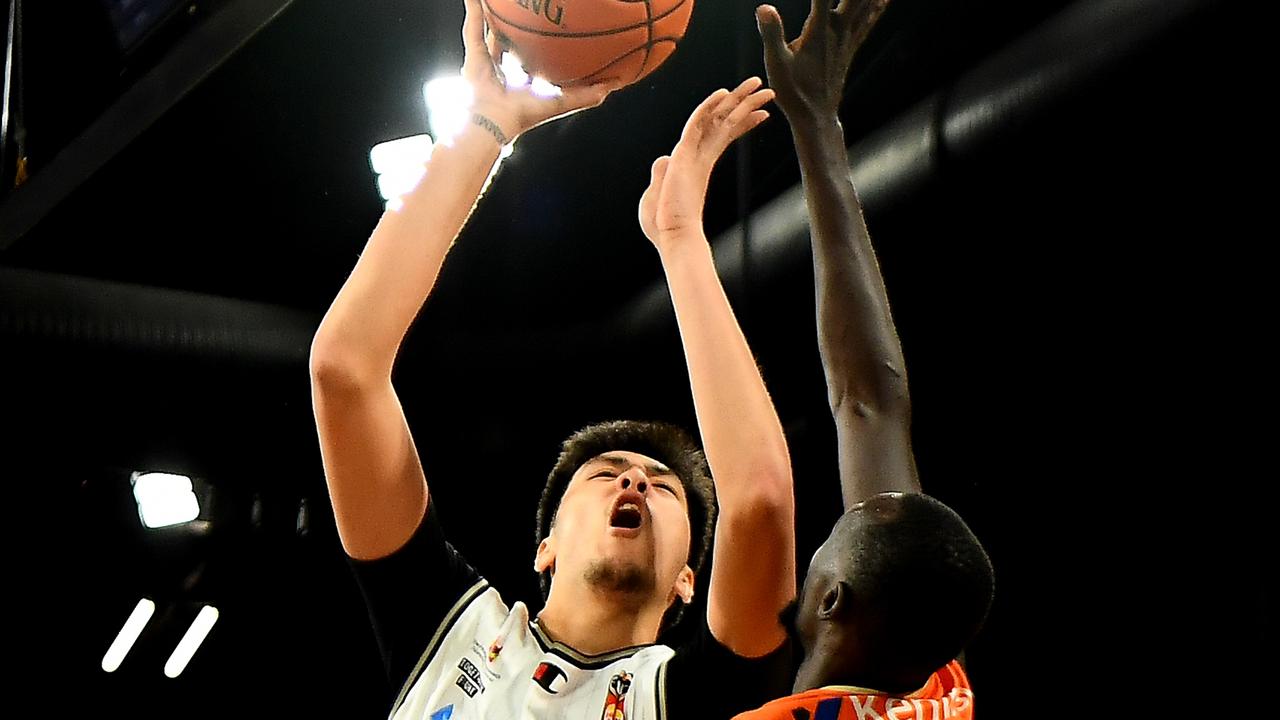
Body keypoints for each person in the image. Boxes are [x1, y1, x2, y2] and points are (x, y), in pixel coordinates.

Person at [308, 1, 795, 717]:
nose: (634, 477)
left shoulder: (695, 697)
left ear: (690, 579)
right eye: (607, 475)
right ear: (545, 548)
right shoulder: (448, 633)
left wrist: (681, 239)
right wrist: (487, 126)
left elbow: (758, 502)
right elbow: (343, 370)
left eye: (662, 488)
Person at [733, 2, 995, 717]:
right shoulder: (934, 694)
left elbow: (870, 403)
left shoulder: (952, 693)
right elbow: (866, 404)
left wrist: (816, 124)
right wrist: (817, 125)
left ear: (834, 598)